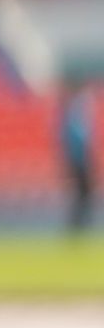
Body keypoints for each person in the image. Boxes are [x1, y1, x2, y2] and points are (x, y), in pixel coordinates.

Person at [59, 81, 95, 232]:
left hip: (79, 160)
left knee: (83, 193)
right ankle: (77, 225)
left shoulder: (74, 113)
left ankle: (78, 224)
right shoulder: (74, 114)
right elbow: (77, 140)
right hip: (79, 161)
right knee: (83, 193)